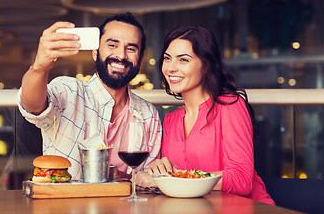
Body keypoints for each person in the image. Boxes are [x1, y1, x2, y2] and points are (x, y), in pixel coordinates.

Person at [138, 25, 275, 205]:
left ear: (206, 66)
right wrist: (155, 173)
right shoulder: (171, 121)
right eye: (167, 58)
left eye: (183, 60)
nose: (171, 68)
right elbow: (174, 180)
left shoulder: (230, 106)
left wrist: (179, 177)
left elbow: (242, 180)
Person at [17, 12, 162, 180]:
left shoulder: (148, 114)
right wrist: (40, 66)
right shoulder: (68, 91)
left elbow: (148, 179)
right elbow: (31, 105)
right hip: (65, 204)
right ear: (95, 51)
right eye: (112, 45)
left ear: (141, 59)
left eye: (131, 49)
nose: (121, 56)